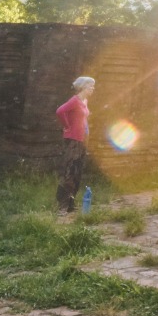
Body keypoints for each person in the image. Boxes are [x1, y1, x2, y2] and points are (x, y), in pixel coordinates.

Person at [55, 75, 95, 213]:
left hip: (82, 139)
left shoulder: (84, 101)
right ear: (83, 87)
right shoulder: (75, 100)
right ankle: (62, 205)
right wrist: (67, 126)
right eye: (90, 86)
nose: (92, 89)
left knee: (78, 172)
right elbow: (60, 111)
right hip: (73, 140)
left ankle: (71, 203)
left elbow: (83, 119)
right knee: (69, 171)